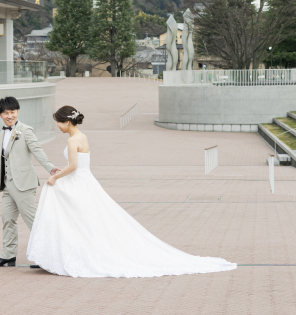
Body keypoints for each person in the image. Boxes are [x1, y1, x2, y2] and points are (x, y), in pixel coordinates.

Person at [26, 105, 237, 278]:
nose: (58, 126)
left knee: (69, 210)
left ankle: (69, 253)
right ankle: (68, 252)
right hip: (85, 180)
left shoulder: (72, 140)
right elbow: (79, 165)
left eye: (59, 122)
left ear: (67, 122)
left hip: (79, 181)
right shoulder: (83, 137)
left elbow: (72, 166)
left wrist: (54, 177)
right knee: (86, 218)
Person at [0, 96, 61, 267]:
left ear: (17, 112)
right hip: (7, 185)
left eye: (13, 112)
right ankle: (8, 255)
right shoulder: (2, 132)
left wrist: (50, 168)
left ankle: (46, 256)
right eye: (6, 113)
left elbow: (37, 150)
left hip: (24, 184)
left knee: (33, 220)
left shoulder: (26, 130)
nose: (10, 115)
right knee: (7, 219)